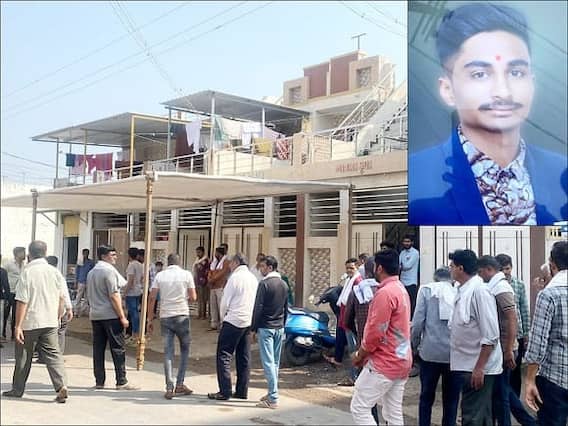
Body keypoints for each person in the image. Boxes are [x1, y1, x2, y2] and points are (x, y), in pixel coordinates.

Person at [409, 3, 567, 225]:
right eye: (480, 74)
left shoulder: (561, 172)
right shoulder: (416, 176)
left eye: (516, 72)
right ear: (448, 90)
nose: (503, 92)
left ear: (531, 83)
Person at [2, 241, 69, 403]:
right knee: (54, 355)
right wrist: (58, 316)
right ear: (45, 253)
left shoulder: (27, 272)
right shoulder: (54, 272)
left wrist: (17, 326)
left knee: (24, 357)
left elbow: (22, 300)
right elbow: (62, 297)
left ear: (29, 255)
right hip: (50, 321)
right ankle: (61, 385)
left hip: (30, 322)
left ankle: (17, 389)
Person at [350, 248, 412, 425]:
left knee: (360, 408)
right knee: (393, 413)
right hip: (401, 360)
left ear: (379, 268)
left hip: (384, 362)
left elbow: (375, 333)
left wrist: (360, 354)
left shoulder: (385, 293)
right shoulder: (400, 289)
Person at [477, 255, 535, 426]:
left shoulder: (501, 288)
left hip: (505, 347)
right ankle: (527, 422)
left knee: (502, 393)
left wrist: (509, 349)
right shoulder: (495, 285)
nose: (480, 276)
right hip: (502, 347)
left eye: (481, 272)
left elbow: (512, 318)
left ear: (489, 269)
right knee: (502, 390)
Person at [449, 249, 502, 426]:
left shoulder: (480, 291)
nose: (450, 269)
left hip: (478, 366)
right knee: (481, 416)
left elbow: (491, 335)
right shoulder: (463, 290)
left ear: (460, 268)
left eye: (452, 266)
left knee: (472, 417)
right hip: (466, 363)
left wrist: (479, 368)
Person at [524, 241, 568, 426]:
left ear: (552, 264)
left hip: (555, 378)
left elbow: (538, 341)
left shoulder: (549, 295)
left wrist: (529, 380)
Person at [411, 267, 461, 426]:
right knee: (451, 399)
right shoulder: (459, 291)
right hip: (453, 354)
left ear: (435, 278)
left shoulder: (426, 290)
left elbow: (417, 323)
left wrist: (414, 346)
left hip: (429, 352)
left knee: (426, 396)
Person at [86, 245, 139, 391]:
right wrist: (122, 316)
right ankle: (121, 381)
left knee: (98, 349)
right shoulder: (108, 271)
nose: (115, 257)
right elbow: (114, 295)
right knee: (117, 348)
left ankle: (99, 380)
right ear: (104, 256)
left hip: (96, 314)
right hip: (110, 315)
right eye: (112, 254)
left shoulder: (92, 272)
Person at [208, 254, 258, 401]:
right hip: (247, 321)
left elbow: (224, 302)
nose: (229, 266)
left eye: (230, 263)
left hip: (233, 320)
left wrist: (223, 318)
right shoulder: (253, 278)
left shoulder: (234, 278)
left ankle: (225, 391)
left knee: (223, 355)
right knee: (244, 356)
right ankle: (242, 391)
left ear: (236, 262)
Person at [147, 253, 197, 400]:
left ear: (167, 263)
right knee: (184, 350)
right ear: (179, 262)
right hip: (182, 315)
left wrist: (150, 319)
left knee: (168, 352)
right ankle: (180, 383)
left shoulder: (160, 276)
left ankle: (169, 387)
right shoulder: (186, 275)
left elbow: (152, 297)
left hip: (165, 316)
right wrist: (184, 298)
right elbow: (193, 297)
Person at [251, 255, 288, 409]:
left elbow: (258, 307)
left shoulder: (264, 284)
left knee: (268, 363)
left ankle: (273, 397)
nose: (261, 269)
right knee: (275, 363)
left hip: (266, 327)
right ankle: (271, 392)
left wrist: (253, 328)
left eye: (263, 266)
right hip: (279, 327)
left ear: (270, 268)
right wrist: (283, 325)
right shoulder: (284, 284)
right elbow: (286, 308)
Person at [495, 253, 530, 397]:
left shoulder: (518, 284)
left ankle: (514, 398)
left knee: (515, 370)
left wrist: (526, 333)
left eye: (508, 268)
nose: (505, 272)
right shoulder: (494, 285)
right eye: (502, 269)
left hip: (518, 333)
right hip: (501, 334)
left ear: (512, 268)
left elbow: (524, 309)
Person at [37, 256, 73, 363]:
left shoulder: (40, 275)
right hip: (57, 308)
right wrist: (69, 308)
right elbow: (63, 294)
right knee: (60, 332)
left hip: (43, 308)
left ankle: (42, 356)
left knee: (43, 332)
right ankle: (58, 356)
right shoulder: (57, 274)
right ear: (57, 264)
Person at [333, 258, 362, 385]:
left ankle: (354, 377)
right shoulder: (349, 281)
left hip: (351, 321)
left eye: (352, 268)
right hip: (345, 319)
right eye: (347, 268)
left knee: (353, 350)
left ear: (357, 268)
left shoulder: (357, 281)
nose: (349, 270)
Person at [3, 246, 26, 340]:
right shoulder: (9, 264)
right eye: (23, 252)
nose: (25, 254)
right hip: (9, 292)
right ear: (17, 254)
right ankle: (3, 333)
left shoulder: (25, 265)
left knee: (16, 314)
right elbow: (2, 275)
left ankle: (14, 333)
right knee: (5, 313)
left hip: (19, 292)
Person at [208, 246, 230, 331]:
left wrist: (212, 279)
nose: (215, 254)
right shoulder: (214, 262)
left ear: (219, 253)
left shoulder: (226, 262)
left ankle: (222, 324)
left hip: (220, 286)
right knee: (213, 305)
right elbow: (210, 271)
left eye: (216, 253)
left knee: (221, 306)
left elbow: (223, 272)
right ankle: (214, 323)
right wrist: (209, 278)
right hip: (213, 287)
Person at [125, 247, 143, 345]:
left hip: (131, 292)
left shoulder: (131, 265)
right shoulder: (140, 265)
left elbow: (130, 280)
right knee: (135, 312)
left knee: (133, 313)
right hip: (138, 290)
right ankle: (134, 333)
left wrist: (125, 291)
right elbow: (142, 278)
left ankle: (135, 335)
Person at [399, 235, 420, 317]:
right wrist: (402, 266)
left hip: (411, 282)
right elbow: (398, 265)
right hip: (402, 282)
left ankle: (411, 320)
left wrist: (402, 266)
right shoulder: (402, 253)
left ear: (412, 242)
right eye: (405, 241)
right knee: (403, 303)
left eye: (408, 241)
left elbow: (407, 266)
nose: (406, 243)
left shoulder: (415, 253)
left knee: (411, 303)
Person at [74, 248, 95, 318]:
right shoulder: (80, 262)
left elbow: (93, 272)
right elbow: (77, 272)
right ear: (82, 254)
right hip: (81, 281)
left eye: (87, 253)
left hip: (89, 281)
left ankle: (83, 311)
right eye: (84, 253)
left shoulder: (91, 262)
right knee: (79, 296)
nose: (85, 255)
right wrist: (76, 281)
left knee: (87, 297)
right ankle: (76, 311)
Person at [193, 246, 209, 320]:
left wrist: (204, 280)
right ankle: (199, 314)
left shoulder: (206, 260)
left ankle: (203, 315)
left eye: (199, 252)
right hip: (197, 281)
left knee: (203, 299)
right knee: (199, 299)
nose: (197, 254)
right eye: (197, 252)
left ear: (203, 252)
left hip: (203, 282)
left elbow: (206, 271)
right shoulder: (197, 260)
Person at [0, 255, 10, 347]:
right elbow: (6, 285)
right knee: (0, 319)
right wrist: (8, 298)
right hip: (0, 298)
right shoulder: (2, 271)